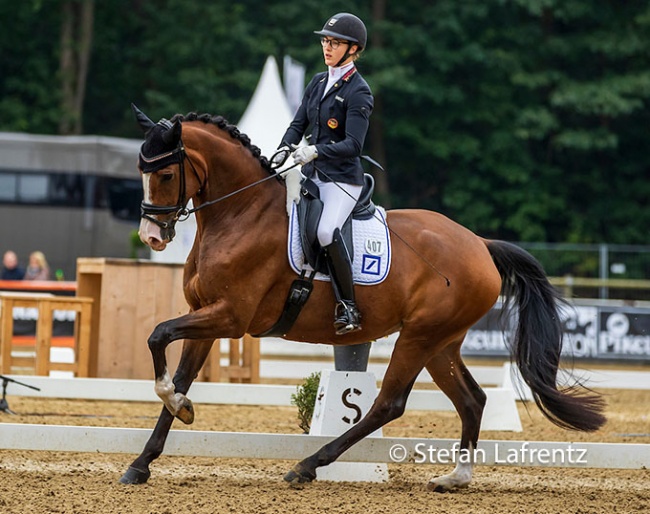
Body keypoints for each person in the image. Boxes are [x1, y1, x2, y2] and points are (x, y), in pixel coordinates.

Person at [277, 12, 373, 335]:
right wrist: (283, 148)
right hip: (314, 176)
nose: (327, 47)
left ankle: (349, 306)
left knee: (326, 232)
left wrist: (315, 150)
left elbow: (353, 145)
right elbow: (298, 123)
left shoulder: (359, 91)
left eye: (334, 43)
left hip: (343, 180)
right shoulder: (318, 82)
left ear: (353, 49)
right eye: (325, 41)